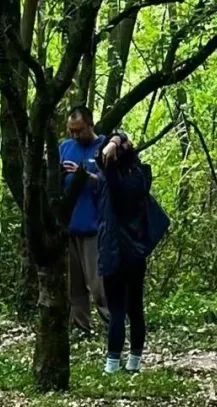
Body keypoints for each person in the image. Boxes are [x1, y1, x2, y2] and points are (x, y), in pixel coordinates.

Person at [96, 132, 157, 375]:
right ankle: (134, 360)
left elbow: (101, 154)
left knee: (118, 310)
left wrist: (114, 140)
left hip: (114, 251)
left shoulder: (113, 177)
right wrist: (121, 140)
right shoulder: (140, 176)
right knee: (135, 308)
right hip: (136, 253)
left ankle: (112, 363)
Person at [59, 106, 109, 337]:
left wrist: (85, 175)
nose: (75, 135)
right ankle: (81, 328)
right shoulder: (65, 148)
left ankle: (113, 323)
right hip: (70, 226)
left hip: (95, 226)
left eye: (79, 130)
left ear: (90, 125)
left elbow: (110, 184)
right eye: (71, 131)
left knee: (99, 285)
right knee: (74, 286)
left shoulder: (104, 147)